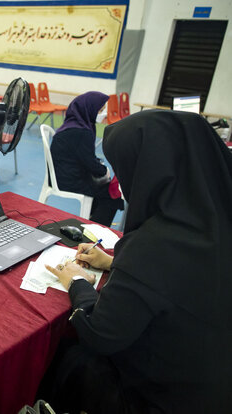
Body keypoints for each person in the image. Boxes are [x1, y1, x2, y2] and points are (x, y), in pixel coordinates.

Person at [41, 110, 232, 413]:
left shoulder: (155, 245)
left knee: (67, 358)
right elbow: (178, 283)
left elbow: (101, 334)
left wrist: (77, 281)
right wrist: (113, 262)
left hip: (164, 400)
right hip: (215, 386)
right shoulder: (215, 218)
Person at [50, 91, 123, 226]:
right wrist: (104, 170)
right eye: (100, 110)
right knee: (113, 195)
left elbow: (83, 157)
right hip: (69, 181)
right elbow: (89, 162)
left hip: (61, 175)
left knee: (103, 190)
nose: (102, 114)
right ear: (89, 109)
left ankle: (92, 220)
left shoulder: (73, 124)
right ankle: (96, 230)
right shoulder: (82, 132)